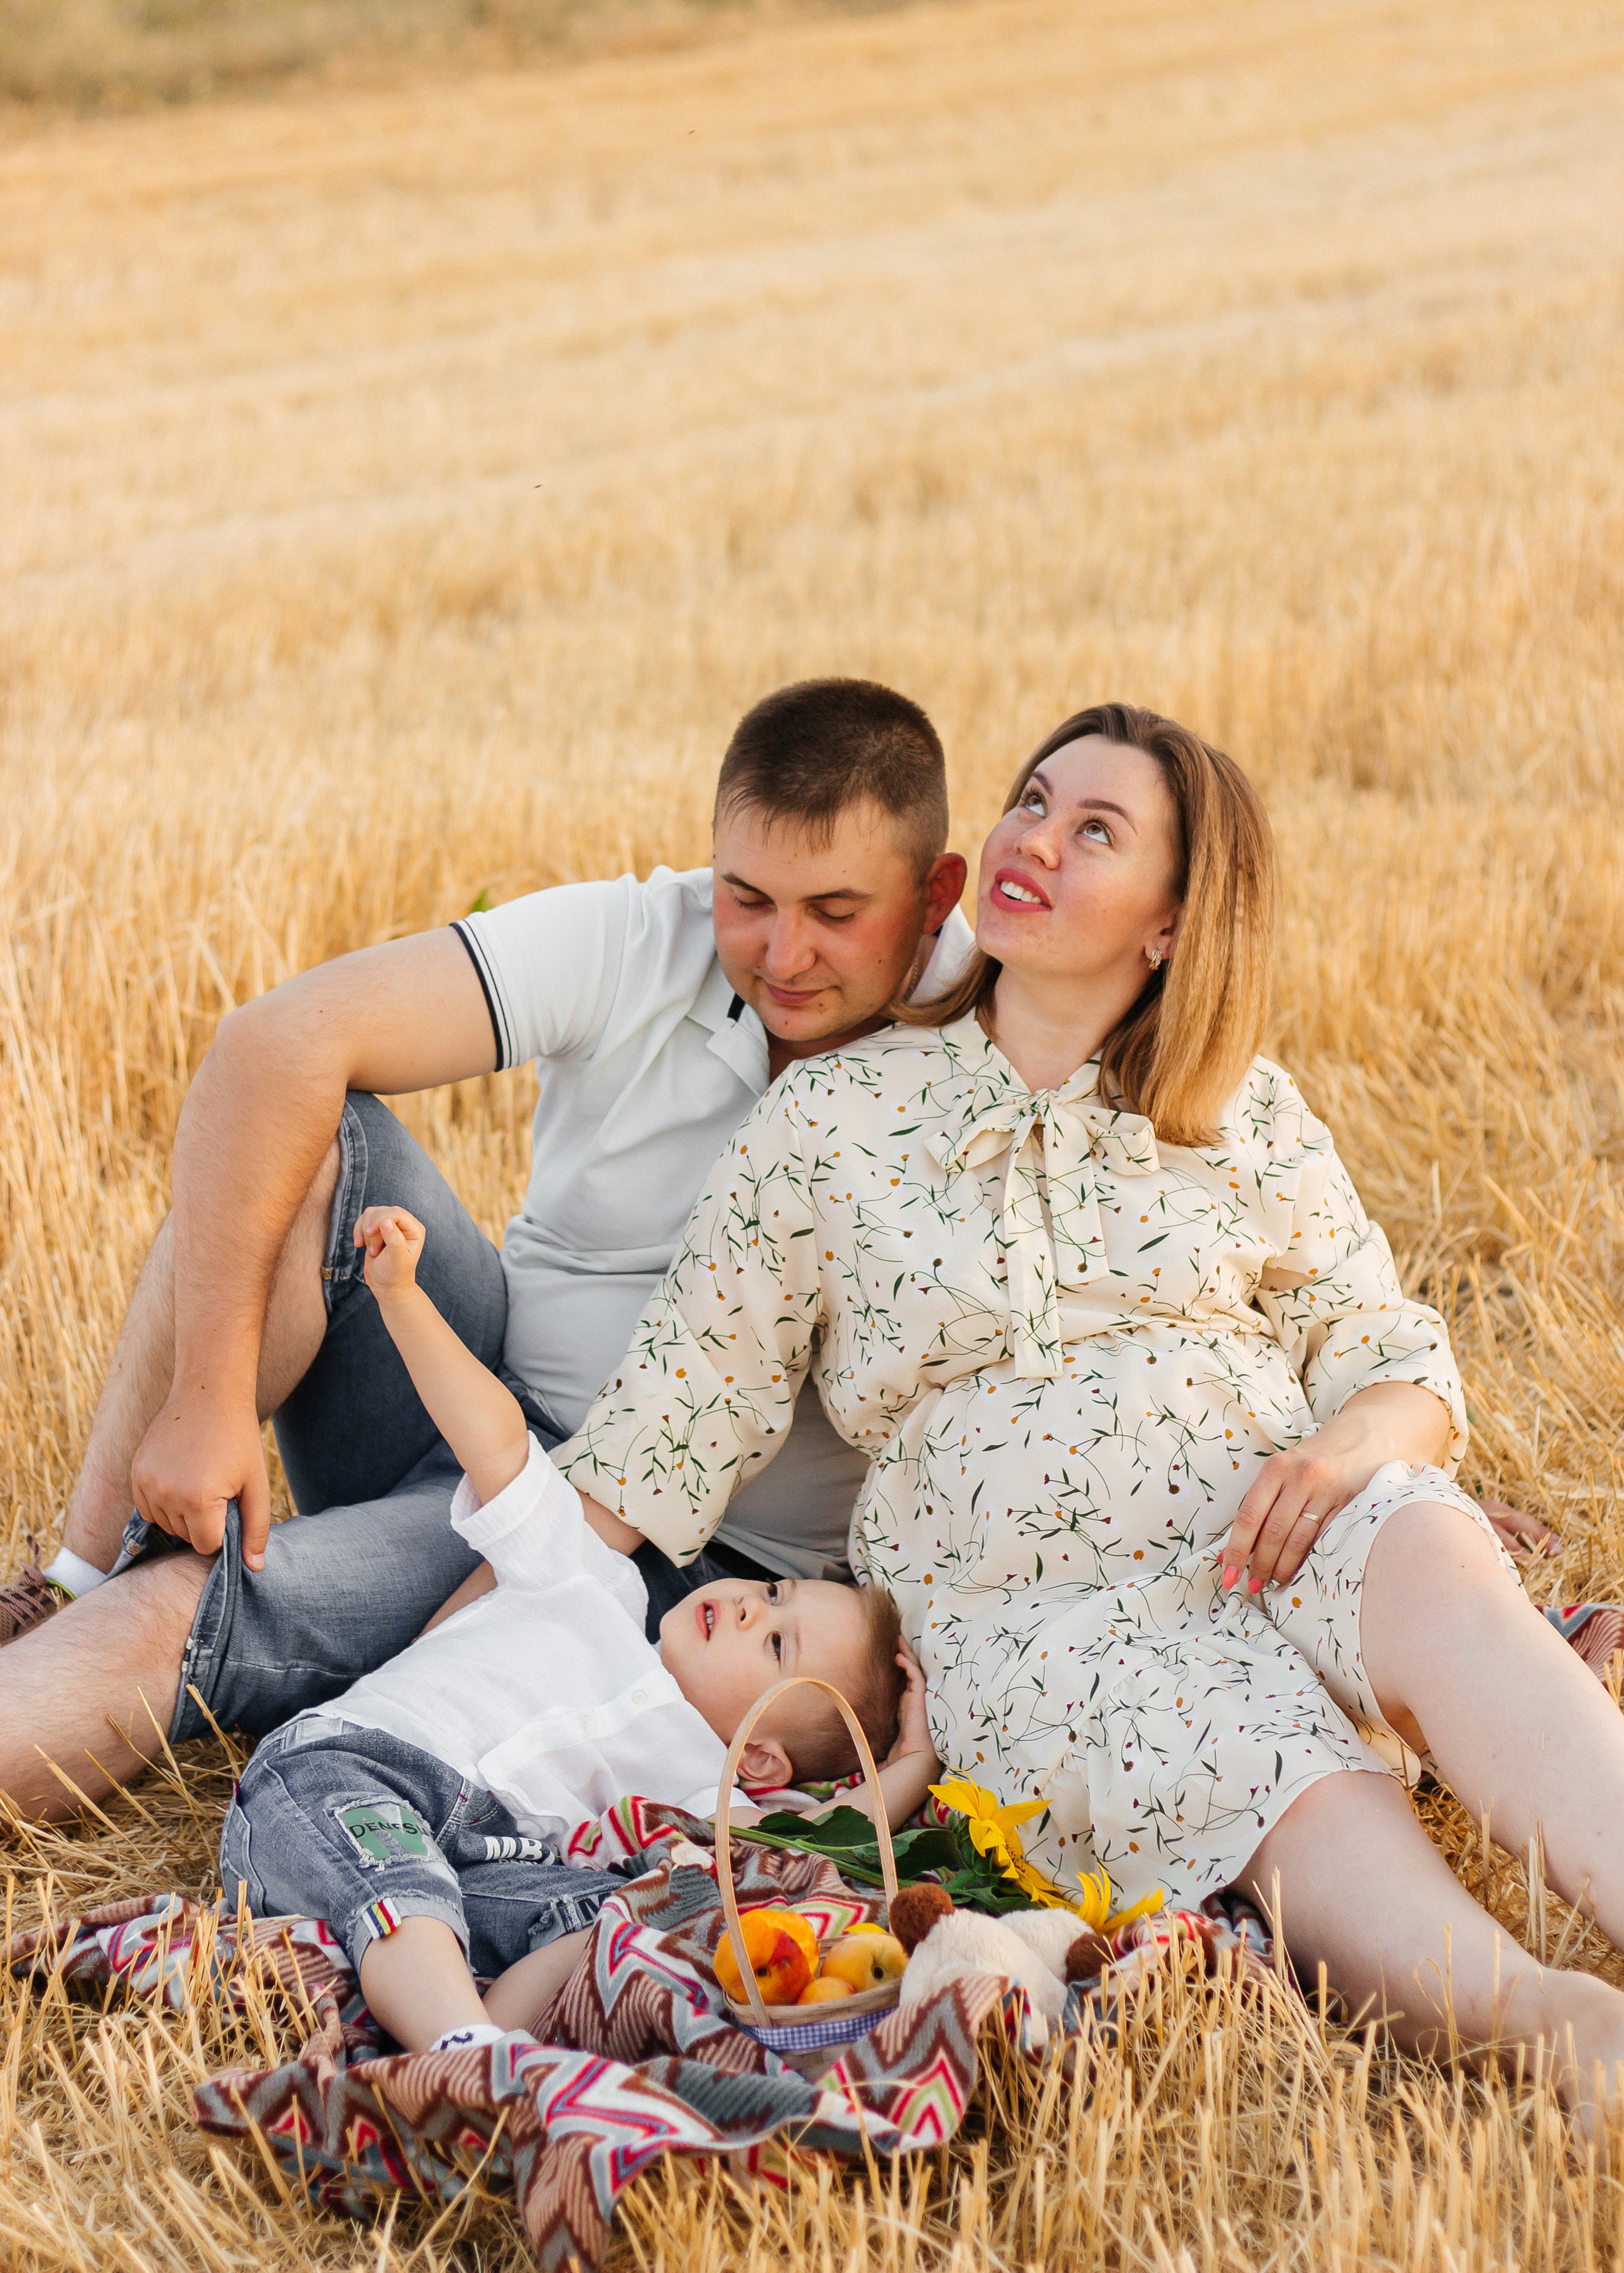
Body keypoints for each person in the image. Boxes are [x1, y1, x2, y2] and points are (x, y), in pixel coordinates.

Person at [550, 702, 1624, 2104]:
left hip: (1267, 1518)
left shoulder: (1242, 1112)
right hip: (1027, 1619)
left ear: (1171, 921)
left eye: (1094, 831)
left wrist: (1348, 1447)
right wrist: (455, 1659)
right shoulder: (830, 1122)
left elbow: (1392, 1358)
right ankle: (1564, 2033)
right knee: (1222, 1742)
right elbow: (660, 1430)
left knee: (1422, 1535)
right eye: (1031, 803)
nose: (1032, 842)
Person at [0, 678, 971, 1819]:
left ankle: (195, 1619)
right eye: (747, 897)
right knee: (310, 1144)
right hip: (475, 1396)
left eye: (836, 911)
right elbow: (276, 1044)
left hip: (674, 1560)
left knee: (188, 1603)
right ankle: (70, 1579)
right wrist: (210, 1399)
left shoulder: (990, 1044)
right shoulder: (643, 934)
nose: (781, 952)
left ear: (934, 893)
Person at [220, 1202, 931, 2059]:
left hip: (491, 1858)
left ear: (762, 1761)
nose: (751, 1605)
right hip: (355, 1767)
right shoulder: (588, 1582)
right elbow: (497, 1446)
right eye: (775, 1591)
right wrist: (403, 1298)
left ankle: (503, 2050)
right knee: (398, 1876)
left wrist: (914, 1765)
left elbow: (824, 1836)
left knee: (597, 1921)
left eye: (777, 1643)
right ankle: (464, 2052)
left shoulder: (718, 1797)